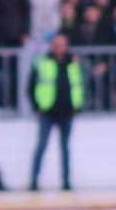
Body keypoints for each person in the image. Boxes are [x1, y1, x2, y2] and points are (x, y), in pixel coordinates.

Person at [28, 33, 82, 191]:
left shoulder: (73, 63)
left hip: (67, 111)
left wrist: (77, 106)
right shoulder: (42, 62)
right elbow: (31, 86)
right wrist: (36, 106)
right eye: (56, 45)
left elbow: (79, 85)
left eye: (62, 45)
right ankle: (34, 181)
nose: (59, 48)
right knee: (42, 145)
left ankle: (66, 182)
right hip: (47, 111)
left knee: (65, 148)